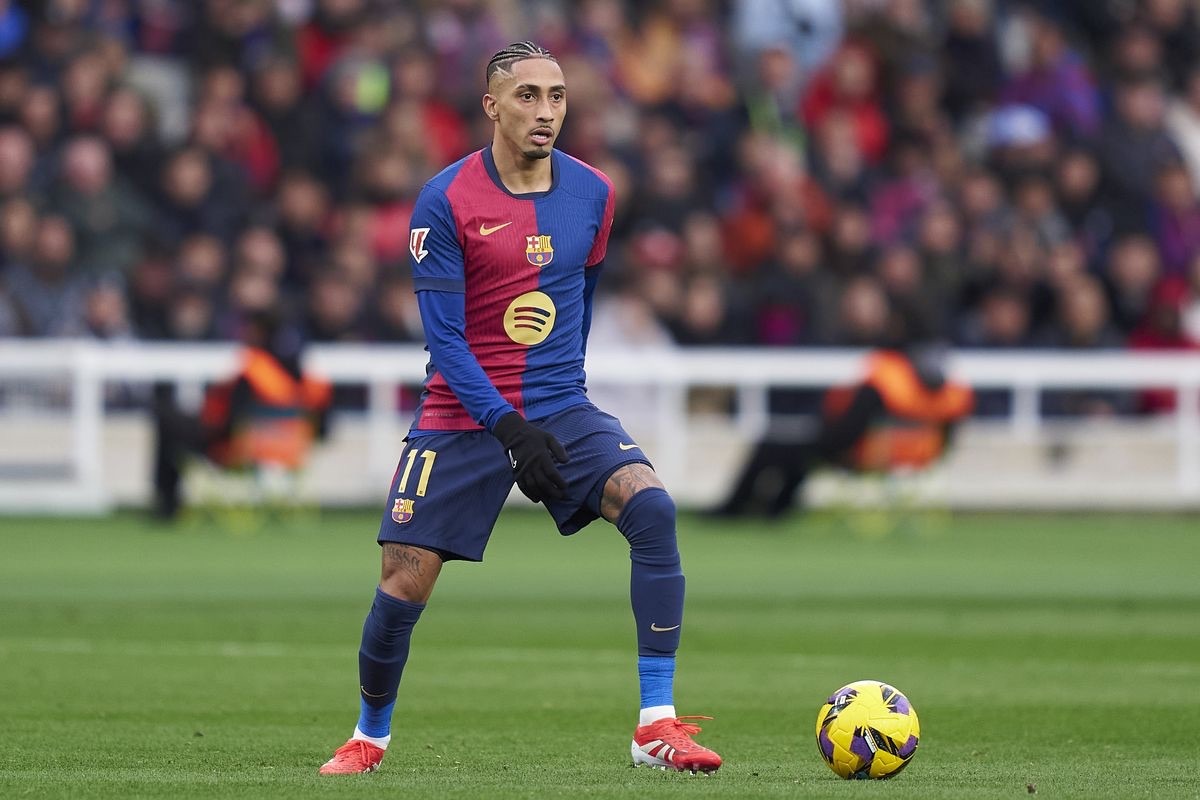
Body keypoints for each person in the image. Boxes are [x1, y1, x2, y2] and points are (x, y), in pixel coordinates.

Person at [318, 42, 722, 777]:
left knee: (652, 508)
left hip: (558, 404)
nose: (546, 111)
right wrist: (507, 428)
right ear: (492, 106)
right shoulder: (444, 199)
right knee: (403, 581)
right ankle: (368, 736)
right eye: (528, 96)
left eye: (557, 96)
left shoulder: (594, 193)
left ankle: (656, 726)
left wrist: (558, 396)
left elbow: (579, 300)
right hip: (462, 413)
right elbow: (444, 341)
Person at [716, 339, 974, 518]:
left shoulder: (886, 387)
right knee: (799, 453)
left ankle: (736, 509)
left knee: (777, 446)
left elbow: (847, 433)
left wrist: (823, 433)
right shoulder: (951, 399)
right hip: (919, 460)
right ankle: (774, 509)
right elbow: (947, 441)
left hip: (864, 455)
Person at [152, 308, 331, 519]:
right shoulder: (304, 376)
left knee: (167, 421)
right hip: (293, 451)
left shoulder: (254, 370)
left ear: (258, 332)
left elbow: (232, 420)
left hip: (240, 448)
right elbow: (323, 427)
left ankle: (168, 504)